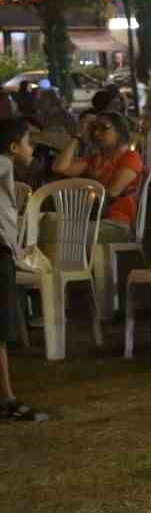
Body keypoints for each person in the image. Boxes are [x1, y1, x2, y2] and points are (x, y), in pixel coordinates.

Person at [51, 112, 144, 243]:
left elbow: (112, 192)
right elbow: (59, 168)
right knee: (47, 225)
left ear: (120, 131)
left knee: (56, 232)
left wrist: (82, 192)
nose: (96, 133)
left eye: (104, 128)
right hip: (90, 219)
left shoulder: (130, 157)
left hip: (116, 222)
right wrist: (77, 136)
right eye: (94, 129)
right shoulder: (94, 159)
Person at [0, 121, 38, 420]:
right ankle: (7, 399)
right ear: (13, 148)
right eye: (29, 143)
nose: (32, 149)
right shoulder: (2, 164)